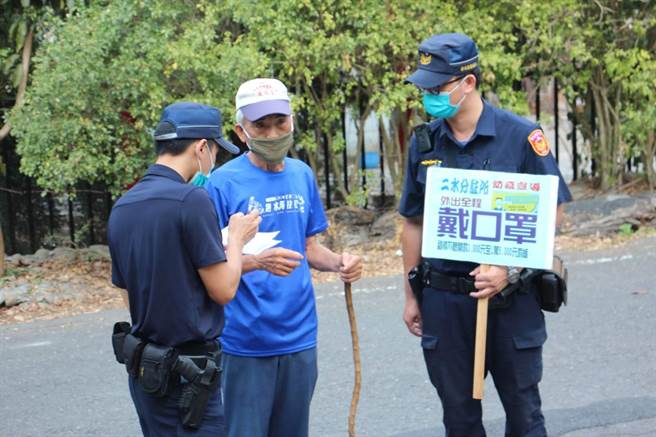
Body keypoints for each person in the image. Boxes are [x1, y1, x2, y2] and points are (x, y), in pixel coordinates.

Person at [399, 33, 572, 437]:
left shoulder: (522, 136)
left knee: (524, 414)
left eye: (436, 87)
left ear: (468, 83)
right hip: (444, 300)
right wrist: (411, 295)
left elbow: (553, 213)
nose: (428, 96)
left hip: (511, 300)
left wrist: (509, 270)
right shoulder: (424, 143)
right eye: (424, 87)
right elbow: (413, 222)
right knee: (458, 418)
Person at [204, 78, 363, 437]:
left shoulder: (302, 174)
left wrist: (340, 262)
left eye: (280, 123)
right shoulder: (222, 184)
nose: (273, 133)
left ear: (292, 121)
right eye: (261, 125)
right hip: (245, 338)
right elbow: (210, 267)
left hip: (300, 333)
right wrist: (257, 262)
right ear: (241, 131)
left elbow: (309, 249)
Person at [108, 102, 261, 436]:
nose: (213, 161)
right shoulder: (191, 200)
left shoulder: (123, 206)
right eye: (216, 151)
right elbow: (223, 290)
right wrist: (236, 239)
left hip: (146, 372)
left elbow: (129, 290)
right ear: (201, 147)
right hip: (190, 376)